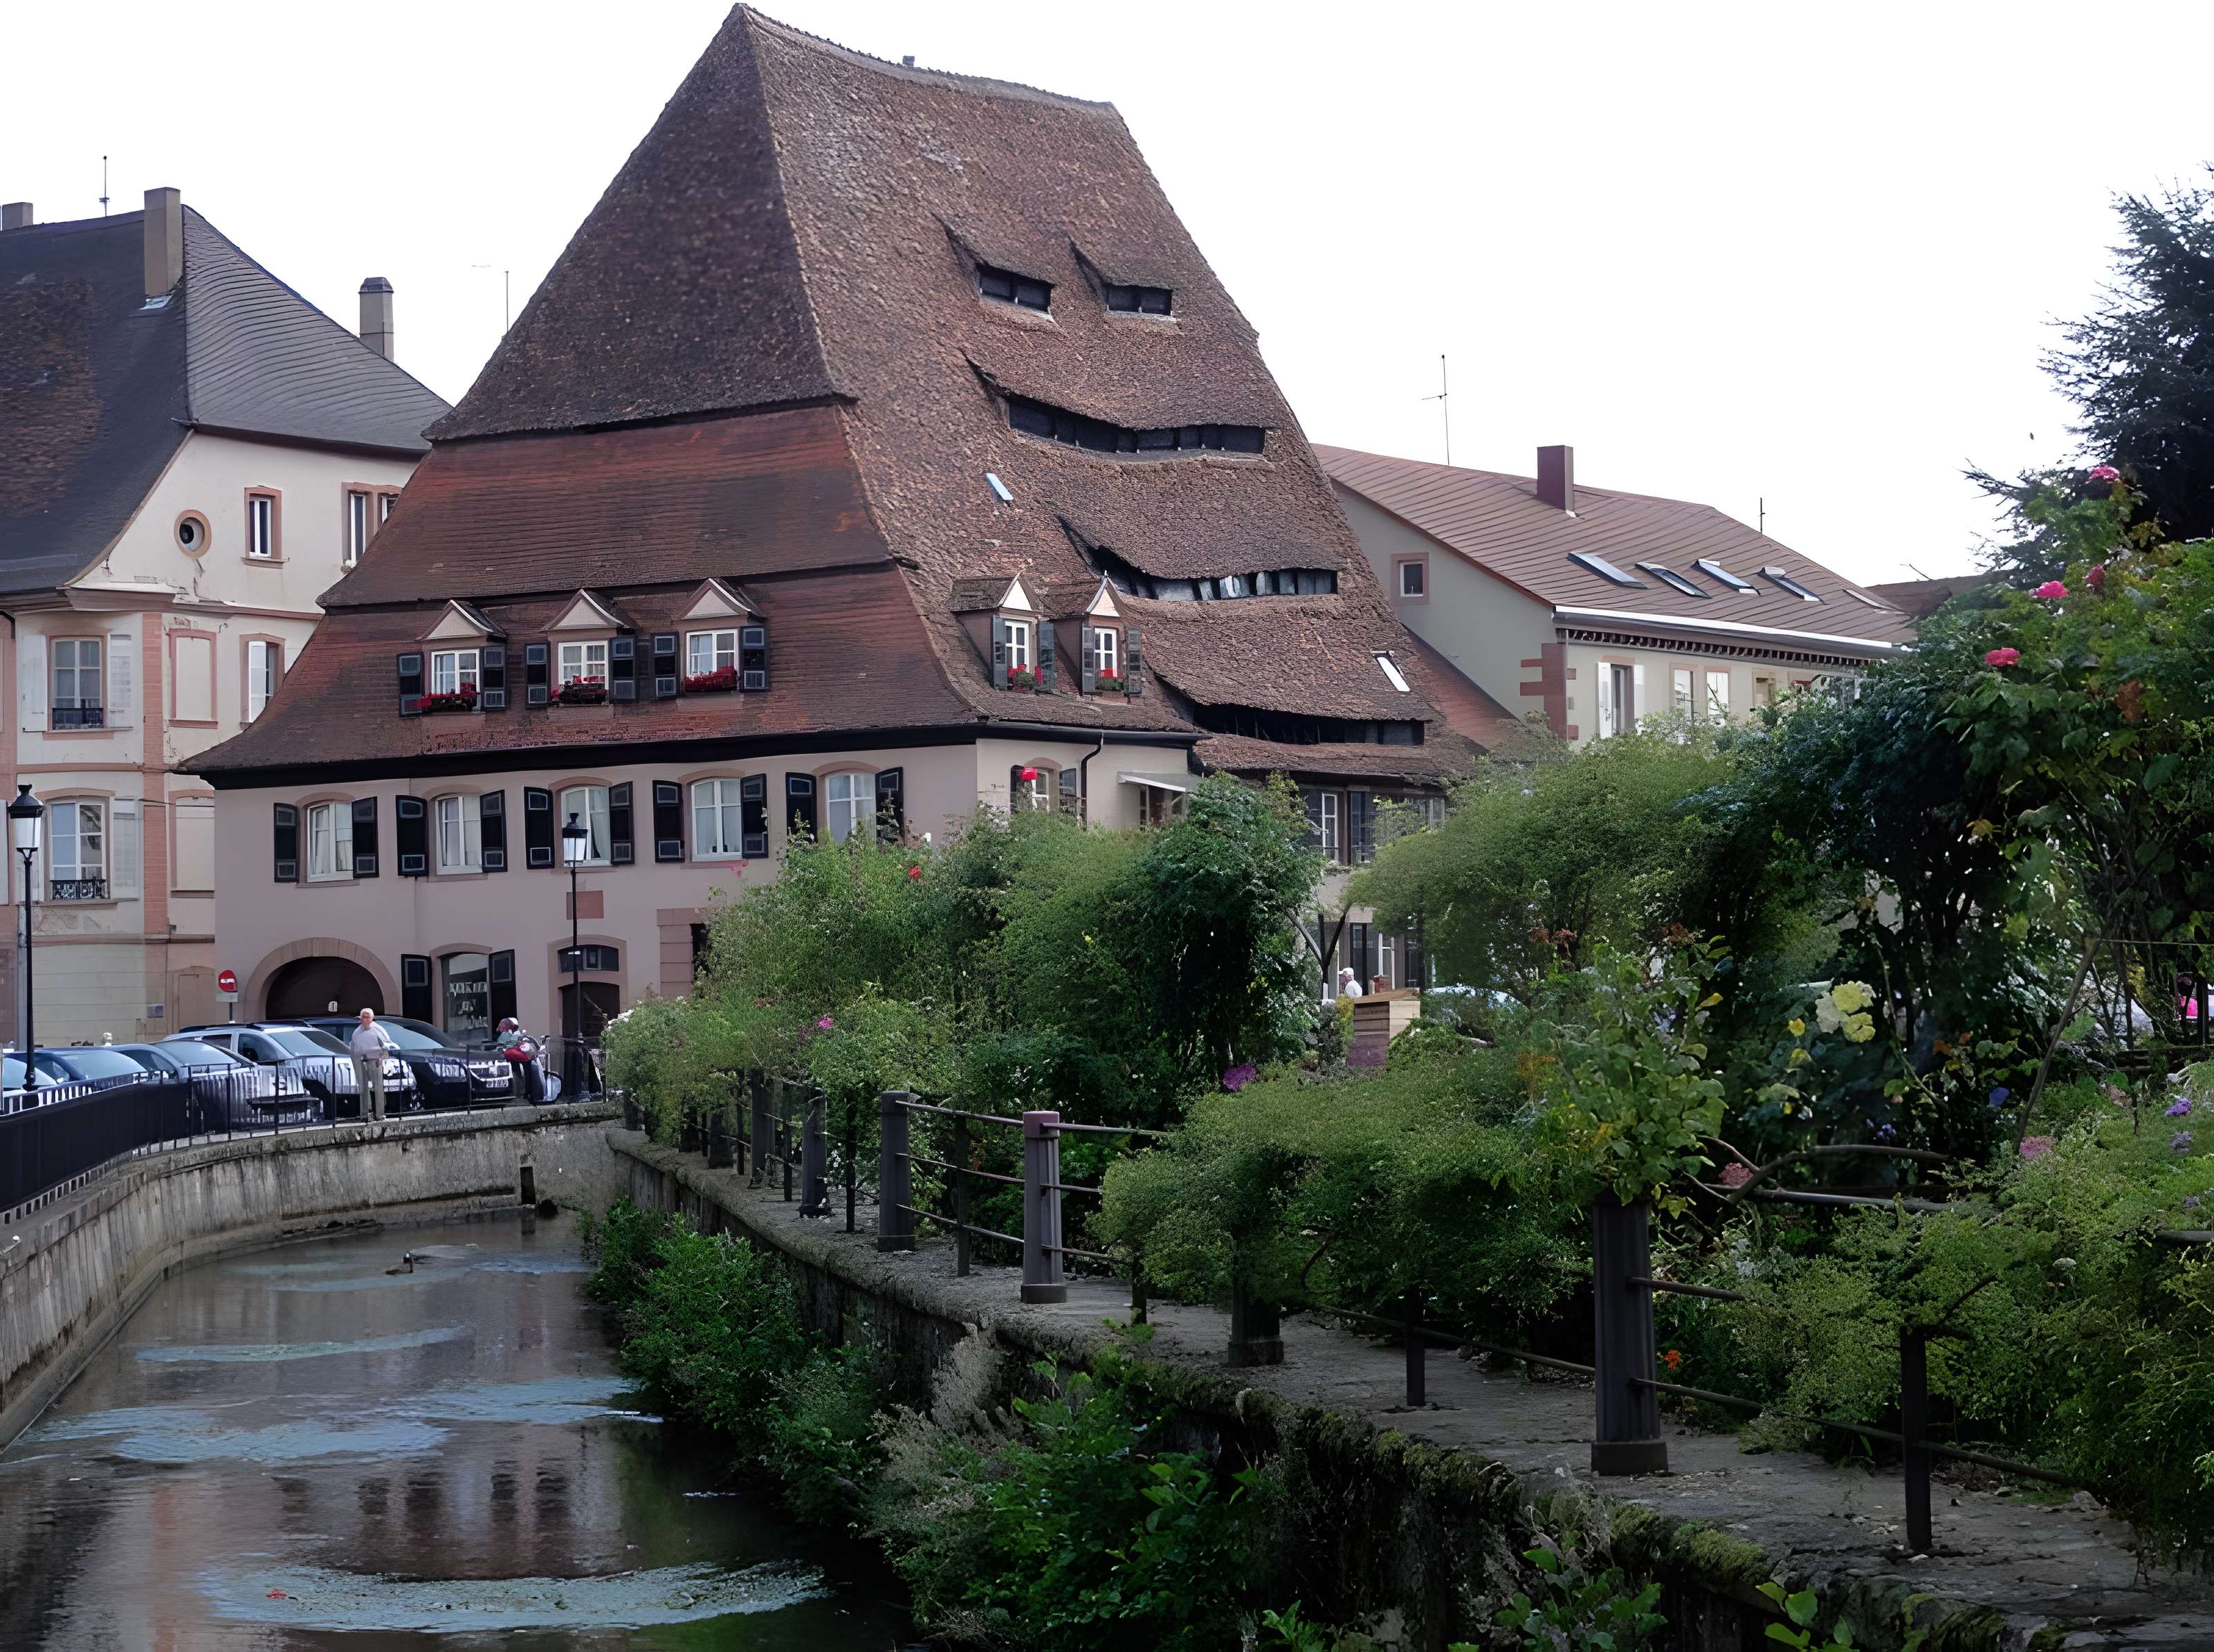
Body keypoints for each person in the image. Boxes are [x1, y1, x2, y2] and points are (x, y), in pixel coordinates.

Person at [348, 1007, 397, 1121]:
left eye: (367, 1017)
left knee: (378, 1087)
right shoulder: (357, 1032)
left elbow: (387, 1045)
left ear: (372, 1018)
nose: (365, 1020)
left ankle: (379, 1114)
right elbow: (353, 1047)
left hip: (375, 1061)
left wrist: (383, 1055)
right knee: (363, 1088)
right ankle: (365, 1114)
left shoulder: (378, 1030)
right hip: (360, 1060)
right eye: (363, 1017)